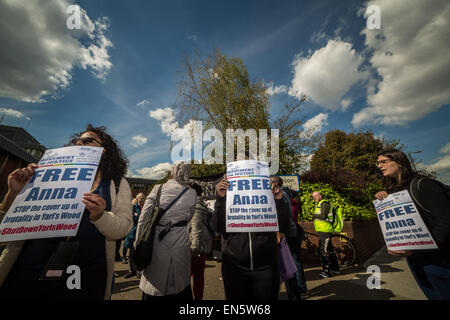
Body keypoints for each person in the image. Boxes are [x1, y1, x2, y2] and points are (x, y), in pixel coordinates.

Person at [0, 124, 133, 300]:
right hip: (28, 270)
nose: (80, 143)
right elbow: (5, 224)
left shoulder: (116, 183)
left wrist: (101, 216)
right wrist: (14, 192)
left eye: (88, 140)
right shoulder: (43, 174)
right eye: (78, 140)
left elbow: (124, 227)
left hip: (84, 274)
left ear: (104, 150)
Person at [374, 149, 450, 300]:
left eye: (384, 162)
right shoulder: (393, 192)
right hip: (415, 259)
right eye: (378, 163)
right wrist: (384, 199)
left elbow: (445, 224)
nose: (379, 166)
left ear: (400, 163)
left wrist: (415, 249)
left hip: (440, 260)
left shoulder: (424, 185)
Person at [213, 173, 291, 300]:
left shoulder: (269, 192)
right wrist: (221, 198)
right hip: (234, 266)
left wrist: (278, 198)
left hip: (266, 266)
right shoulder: (227, 195)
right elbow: (218, 228)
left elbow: (284, 227)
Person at [136, 161, 197, 300]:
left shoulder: (158, 188)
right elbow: (189, 216)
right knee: (179, 283)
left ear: (172, 173)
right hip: (181, 240)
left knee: (155, 284)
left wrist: (138, 244)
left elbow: (143, 218)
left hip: (157, 240)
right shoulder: (192, 193)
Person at [188, 186, 214, 300]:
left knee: (191, 278)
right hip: (200, 247)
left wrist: (194, 248)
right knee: (198, 278)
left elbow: (196, 228)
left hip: (195, 249)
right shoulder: (200, 204)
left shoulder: (196, 206)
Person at [311, 191, 340, 279]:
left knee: (324, 250)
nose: (314, 198)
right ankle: (335, 269)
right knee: (329, 249)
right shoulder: (319, 204)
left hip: (326, 230)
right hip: (322, 230)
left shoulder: (325, 203)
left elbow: (323, 216)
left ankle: (326, 271)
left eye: (315, 196)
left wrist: (313, 215)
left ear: (320, 196)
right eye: (313, 197)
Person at [123, 193, 146, 279]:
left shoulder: (146, 207)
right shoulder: (133, 208)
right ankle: (132, 271)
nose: (141, 200)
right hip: (133, 234)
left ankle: (140, 272)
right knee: (131, 254)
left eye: (143, 198)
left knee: (140, 254)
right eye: (140, 198)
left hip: (143, 235)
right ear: (136, 199)